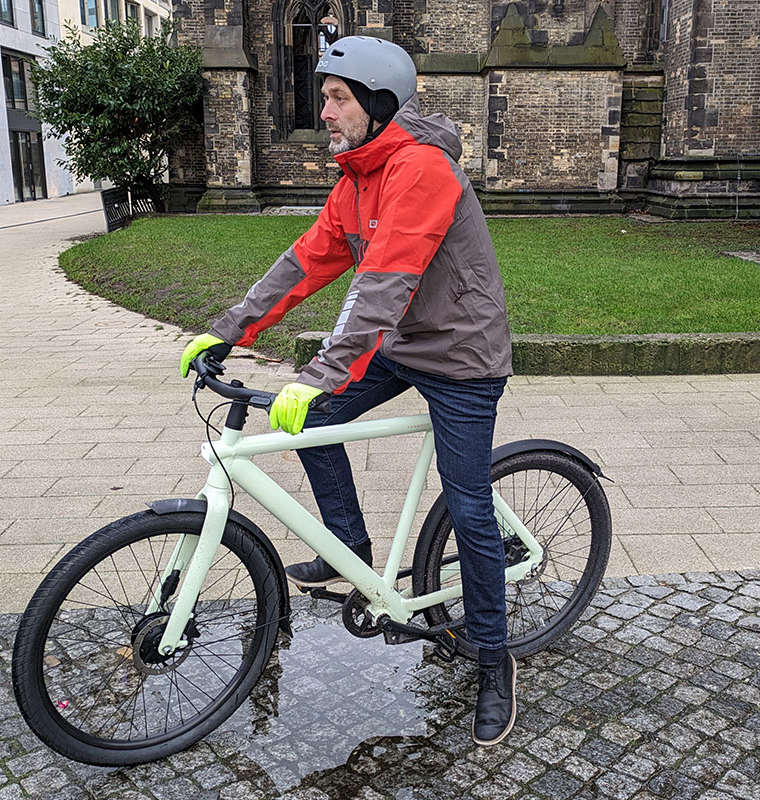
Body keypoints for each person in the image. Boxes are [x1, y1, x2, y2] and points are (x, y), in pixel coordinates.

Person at [178, 36, 516, 746]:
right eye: (323, 97)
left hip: (462, 356)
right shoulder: (357, 177)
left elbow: (384, 283)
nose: (325, 111)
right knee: (306, 422)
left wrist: (320, 372)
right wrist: (228, 330)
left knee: (468, 507)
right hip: (400, 346)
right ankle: (348, 546)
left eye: (337, 98)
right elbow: (306, 260)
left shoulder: (421, 168)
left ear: (378, 102)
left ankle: (493, 660)